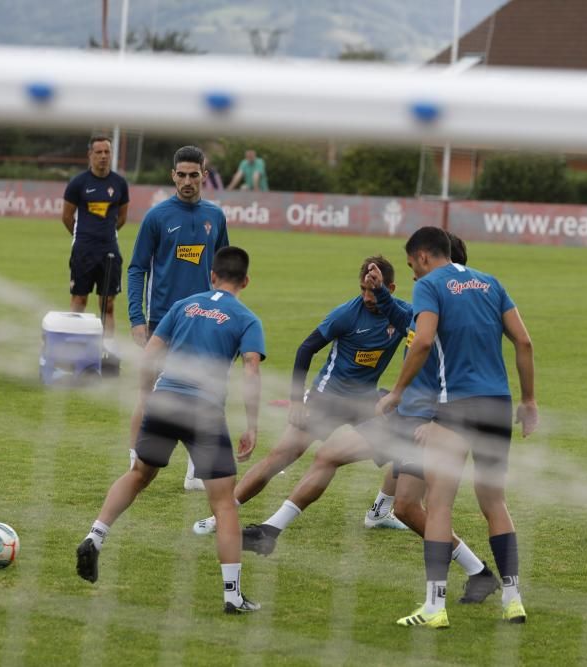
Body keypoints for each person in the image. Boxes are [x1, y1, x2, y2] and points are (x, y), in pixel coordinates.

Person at [239, 235, 501, 607]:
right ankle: (480, 573)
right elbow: (400, 318)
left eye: (417, 269)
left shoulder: (440, 312)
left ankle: (269, 531)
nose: (416, 278)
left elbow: (441, 362)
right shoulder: (431, 308)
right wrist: (379, 291)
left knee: (388, 493)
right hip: (409, 416)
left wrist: (412, 404)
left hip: (423, 422)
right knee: (396, 500)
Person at [76, 246, 265, 614]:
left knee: (139, 474)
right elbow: (252, 372)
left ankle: (94, 536)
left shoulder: (183, 305)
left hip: (164, 399)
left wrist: (147, 398)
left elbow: (150, 356)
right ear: (245, 281)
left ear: (211, 276)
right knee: (224, 504)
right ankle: (232, 596)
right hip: (204, 411)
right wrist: (253, 426)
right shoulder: (246, 318)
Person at [376, 226, 538, 628]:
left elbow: (424, 341)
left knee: (441, 504)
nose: (413, 271)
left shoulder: (430, 286)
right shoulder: (490, 282)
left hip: (456, 407)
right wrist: (529, 401)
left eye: (412, 263)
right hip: (498, 405)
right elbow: (524, 342)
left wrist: (396, 392)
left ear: (424, 257)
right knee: (494, 502)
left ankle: (434, 607)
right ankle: (513, 600)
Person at [192, 257, 411, 536]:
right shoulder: (346, 314)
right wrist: (297, 400)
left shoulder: (403, 315)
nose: (368, 297)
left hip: (365, 401)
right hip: (326, 399)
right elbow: (306, 349)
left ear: (389, 287)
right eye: (363, 289)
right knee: (280, 457)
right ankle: (219, 517)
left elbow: (424, 337)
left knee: (405, 442)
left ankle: (380, 512)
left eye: (374, 289)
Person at [128, 145, 229, 490]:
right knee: (150, 390)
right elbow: (137, 268)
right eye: (181, 175)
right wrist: (136, 317)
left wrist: (225, 312)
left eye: (194, 175)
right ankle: (136, 461)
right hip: (162, 321)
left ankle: (195, 471)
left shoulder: (215, 217)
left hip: (204, 320)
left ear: (204, 175)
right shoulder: (157, 217)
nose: (188, 181)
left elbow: (223, 271)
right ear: (173, 175)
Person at [61, 135, 130, 341]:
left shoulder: (119, 183)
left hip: (109, 251)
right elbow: (66, 216)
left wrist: (106, 234)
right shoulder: (78, 183)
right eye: (98, 152)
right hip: (83, 250)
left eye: (107, 152)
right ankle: (73, 345)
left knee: (107, 304)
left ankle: (106, 352)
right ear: (90, 155)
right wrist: (83, 235)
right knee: (79, 299)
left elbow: (123, 216)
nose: (103, 156)